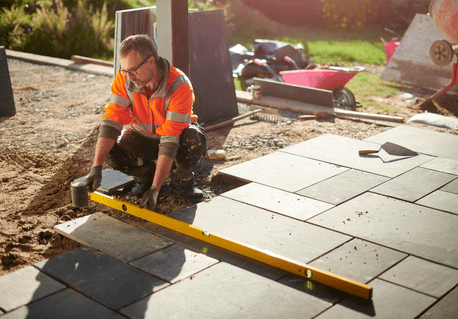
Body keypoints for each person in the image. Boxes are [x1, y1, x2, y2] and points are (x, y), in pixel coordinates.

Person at [84, 34, 206, 211]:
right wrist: (96, 167)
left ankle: (181, 182)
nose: (129, 76)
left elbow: (170, 141)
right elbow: (111, 123)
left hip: (175, 140)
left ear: (150, 62)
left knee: (193, 138)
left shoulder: (180, 86)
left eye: (133, 69)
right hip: (143, 136)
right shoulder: (124, 78)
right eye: (125, 70)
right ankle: (145, 176)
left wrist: (155, 190)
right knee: (110, 149)